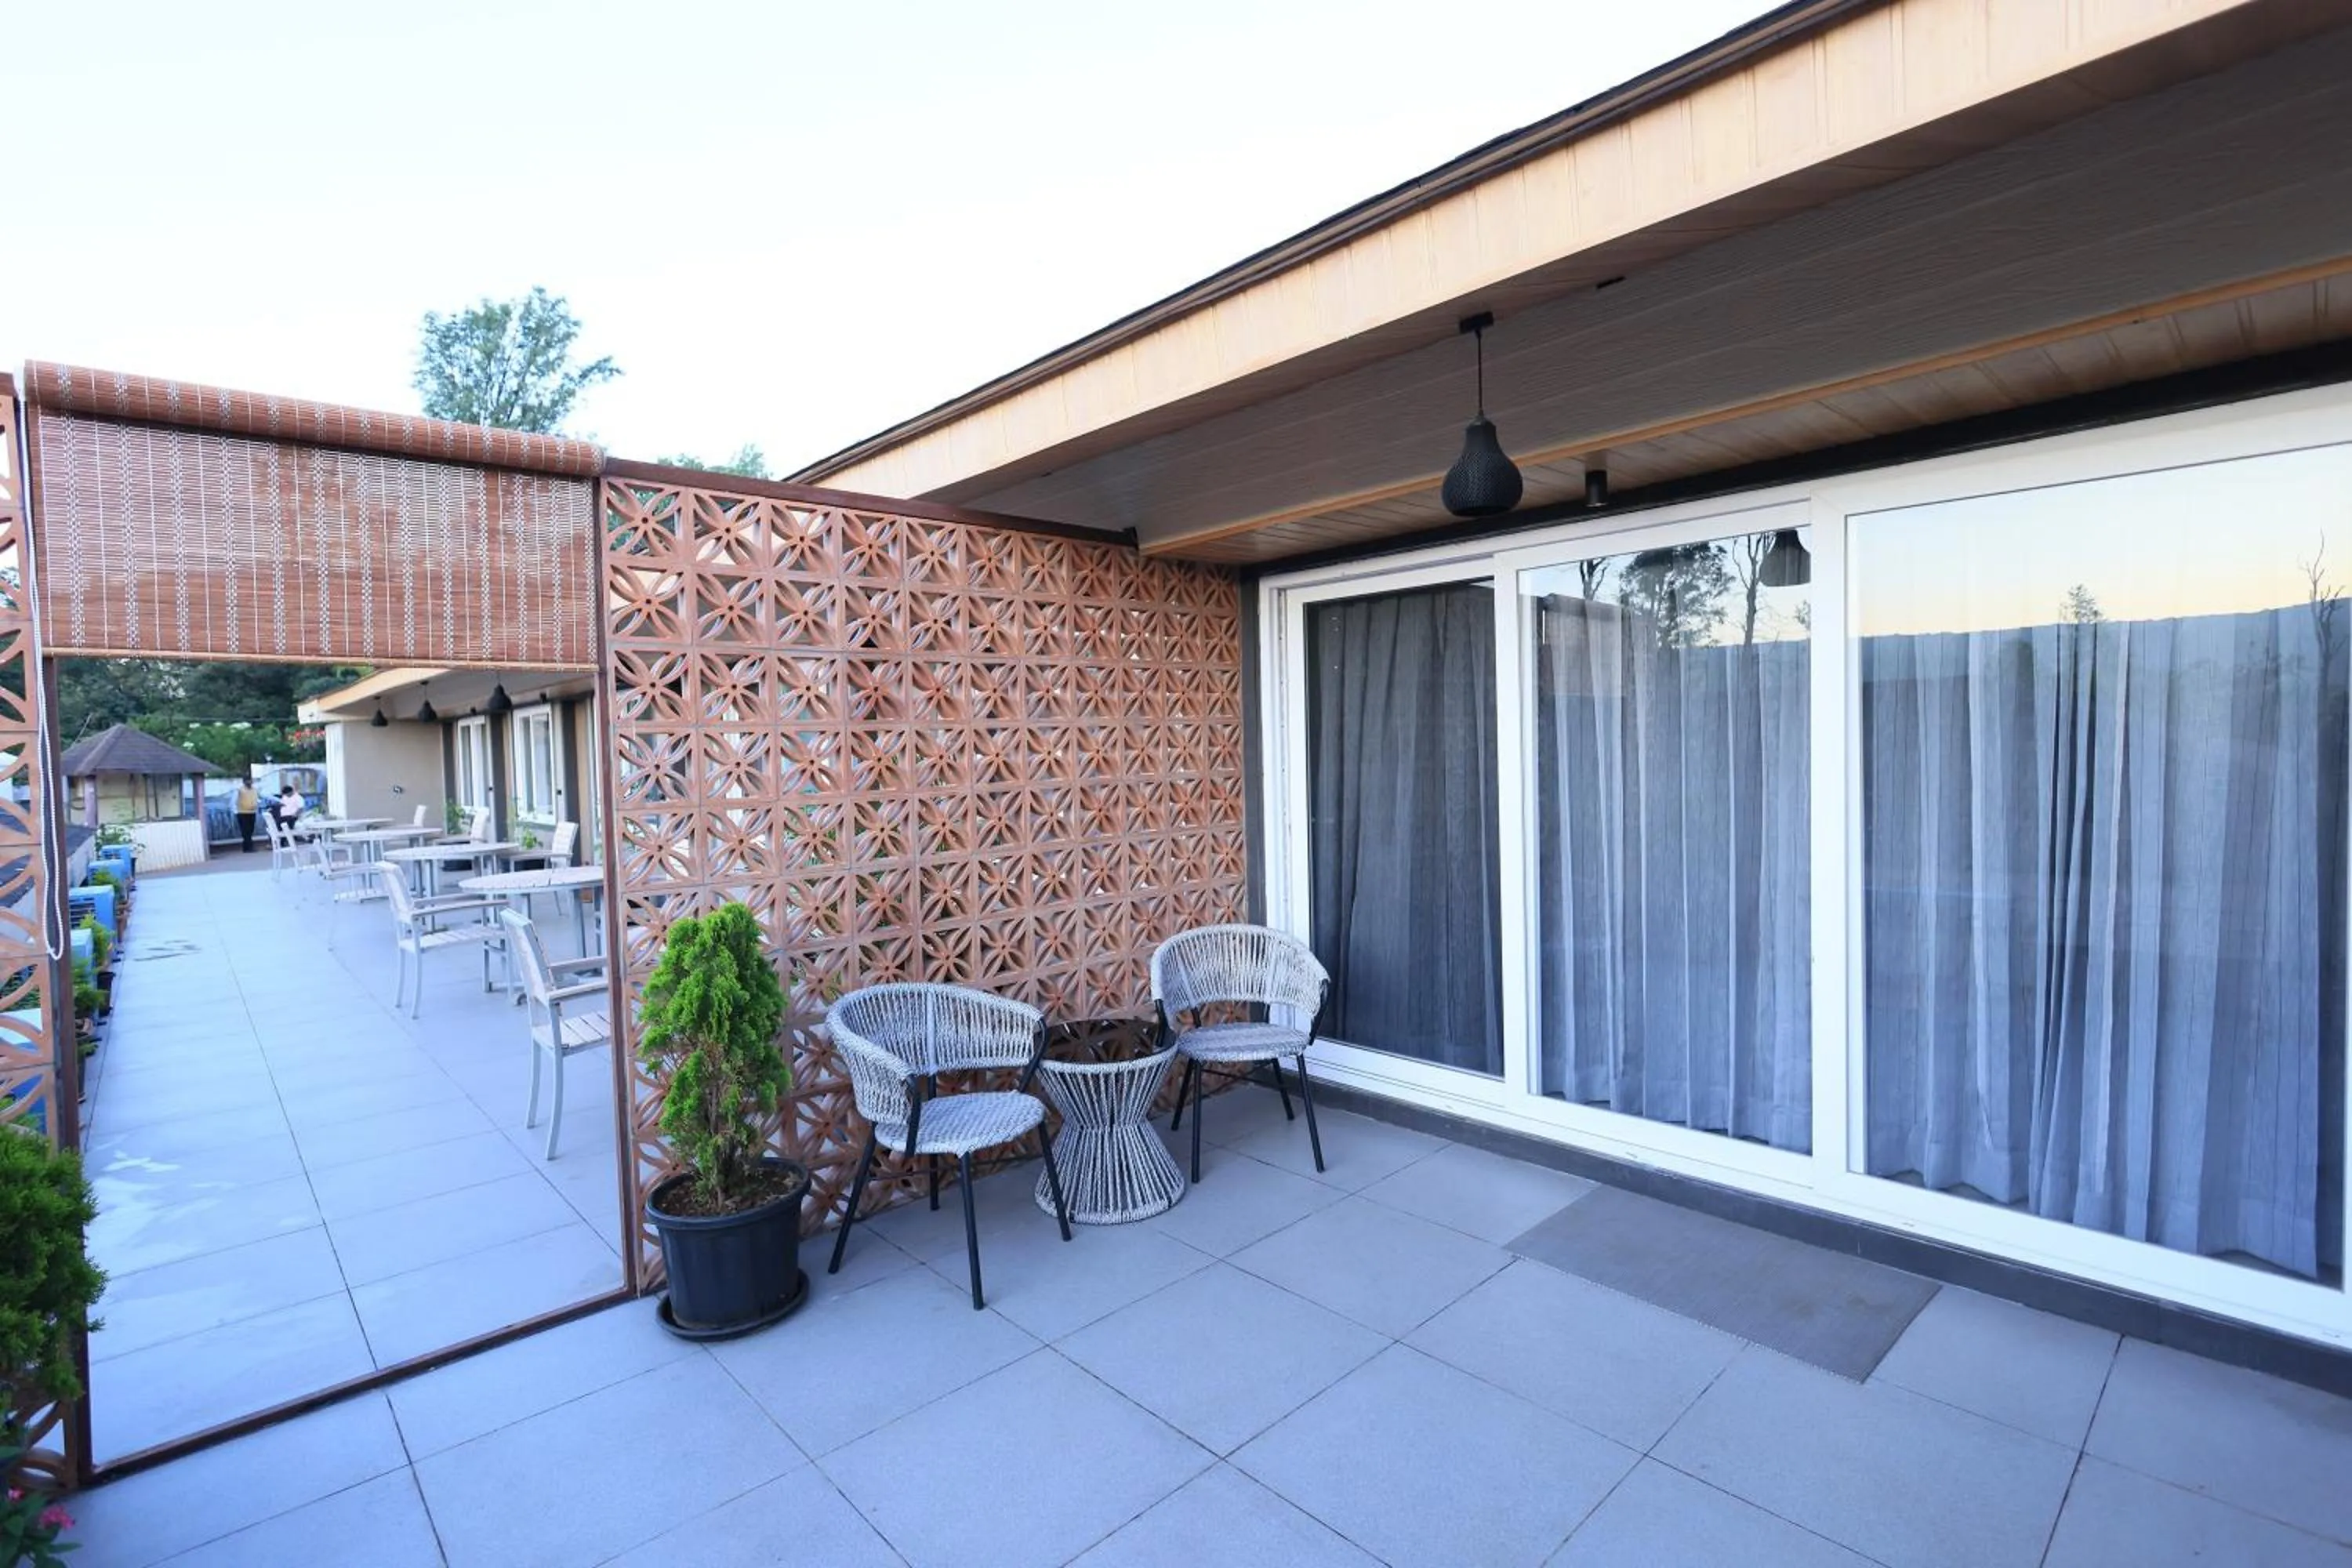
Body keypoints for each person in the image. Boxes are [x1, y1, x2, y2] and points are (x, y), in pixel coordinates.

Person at [234, 782, 260, 852]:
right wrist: (235, 811)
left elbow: (257, 798)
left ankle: (246, 847)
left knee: (251, 830)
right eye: (247, 781)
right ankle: (248, 847)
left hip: (252, 812)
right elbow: (234, 800)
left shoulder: (254, 789)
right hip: (242, 812)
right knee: (245, 831)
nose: (249, 783)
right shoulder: (239, 790)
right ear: (244, 782)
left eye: (250, 781)